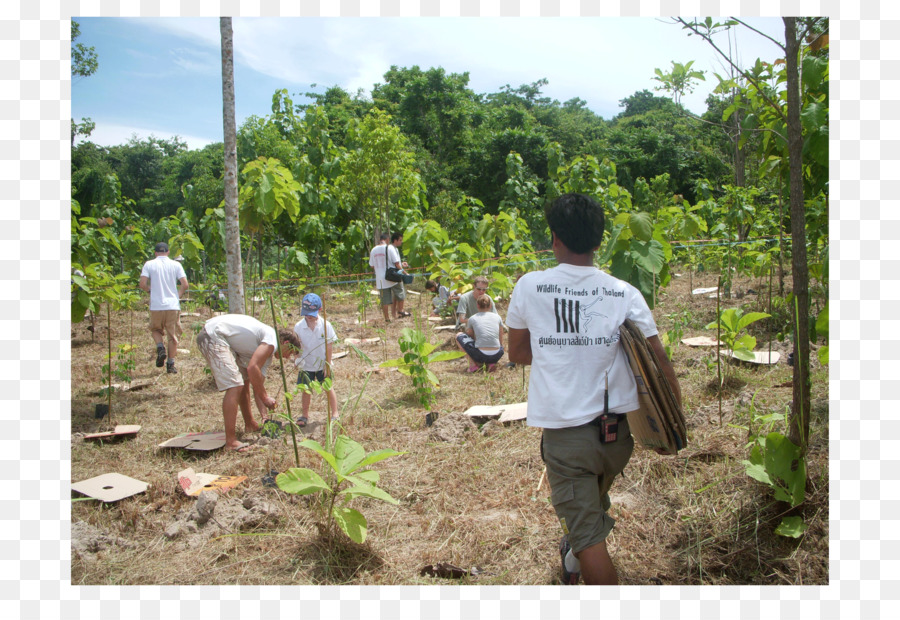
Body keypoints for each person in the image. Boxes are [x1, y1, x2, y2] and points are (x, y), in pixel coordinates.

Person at [506, 193, 682, 586]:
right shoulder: (624, 292)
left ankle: (586, 564)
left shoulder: (531, 286)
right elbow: (658, 360)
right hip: (618, 438)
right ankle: (572, 560)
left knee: (589, 537)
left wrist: (558, 349)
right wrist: (675, 424)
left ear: (554, 239)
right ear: (599, 241)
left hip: (567, 440)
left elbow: (517, 351)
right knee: (590, 505)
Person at [196, 313, 284, 451]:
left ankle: (250, 424)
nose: (288, 357)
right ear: (286, 343)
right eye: (291, 352)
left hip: (217, 335)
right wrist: (266, 397)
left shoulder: (266, 354)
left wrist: (264, 417)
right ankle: (230, 442)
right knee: (235, 385)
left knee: (243, 382)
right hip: (212, 335)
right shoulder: (271, 341)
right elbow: (252, 367)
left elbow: (258, 385)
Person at [289, 293, 339, 428]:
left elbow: (329, 346)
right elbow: (296, 345)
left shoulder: (325, 325)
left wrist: (327, 365)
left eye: (312, 313)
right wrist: (296, 359)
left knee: (328, 387)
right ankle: (304, 415)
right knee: (306, 390)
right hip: (306, 365)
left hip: (322, 364)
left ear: (320, 310)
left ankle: (335, 413)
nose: (309, 316)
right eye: (306, 313)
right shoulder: (298, 326)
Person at [138, 241, 188, 374]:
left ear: (155, 253)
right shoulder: (176, 265)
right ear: (168, 252)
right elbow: (185, 284)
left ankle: (160, 347)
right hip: (172, 305)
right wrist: (178, 295)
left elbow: (142, 283)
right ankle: (171, 365)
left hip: (156, 305)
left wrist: (150, 291)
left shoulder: (149, 264)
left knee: (156, 330)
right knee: (172, 336)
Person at [455, 294, 505, 372]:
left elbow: (471, 336)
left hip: (480, 355)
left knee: (458, 336)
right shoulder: (497, 317)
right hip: (497, 354)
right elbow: (501, 335)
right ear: (490, 305)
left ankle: (472, 365)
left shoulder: (472, 318)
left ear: (477, 305)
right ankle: (491, 363)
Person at [368, 233, 403, 323]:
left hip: (380, 278)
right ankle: (398, 312)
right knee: (398, 293)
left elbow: (371, 265)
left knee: (385, 300)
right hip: (392, 277)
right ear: (387, 240)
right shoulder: (389, 248)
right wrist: (404, 272)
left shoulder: (373, 250)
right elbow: (396, 262)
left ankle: (387, 318)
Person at [389, 232, 411, 318]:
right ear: (395, 240)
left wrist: (402, 264)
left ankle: (394, 314)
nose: (401, 242)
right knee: (401, 292)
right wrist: (405, 273)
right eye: (400, 240)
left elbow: (397, 263)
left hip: (394, 273)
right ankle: (401, 311)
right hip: (396, 274)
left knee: (395, 295)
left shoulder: (394, 249)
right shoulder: (392, 248)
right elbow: (396, 264)